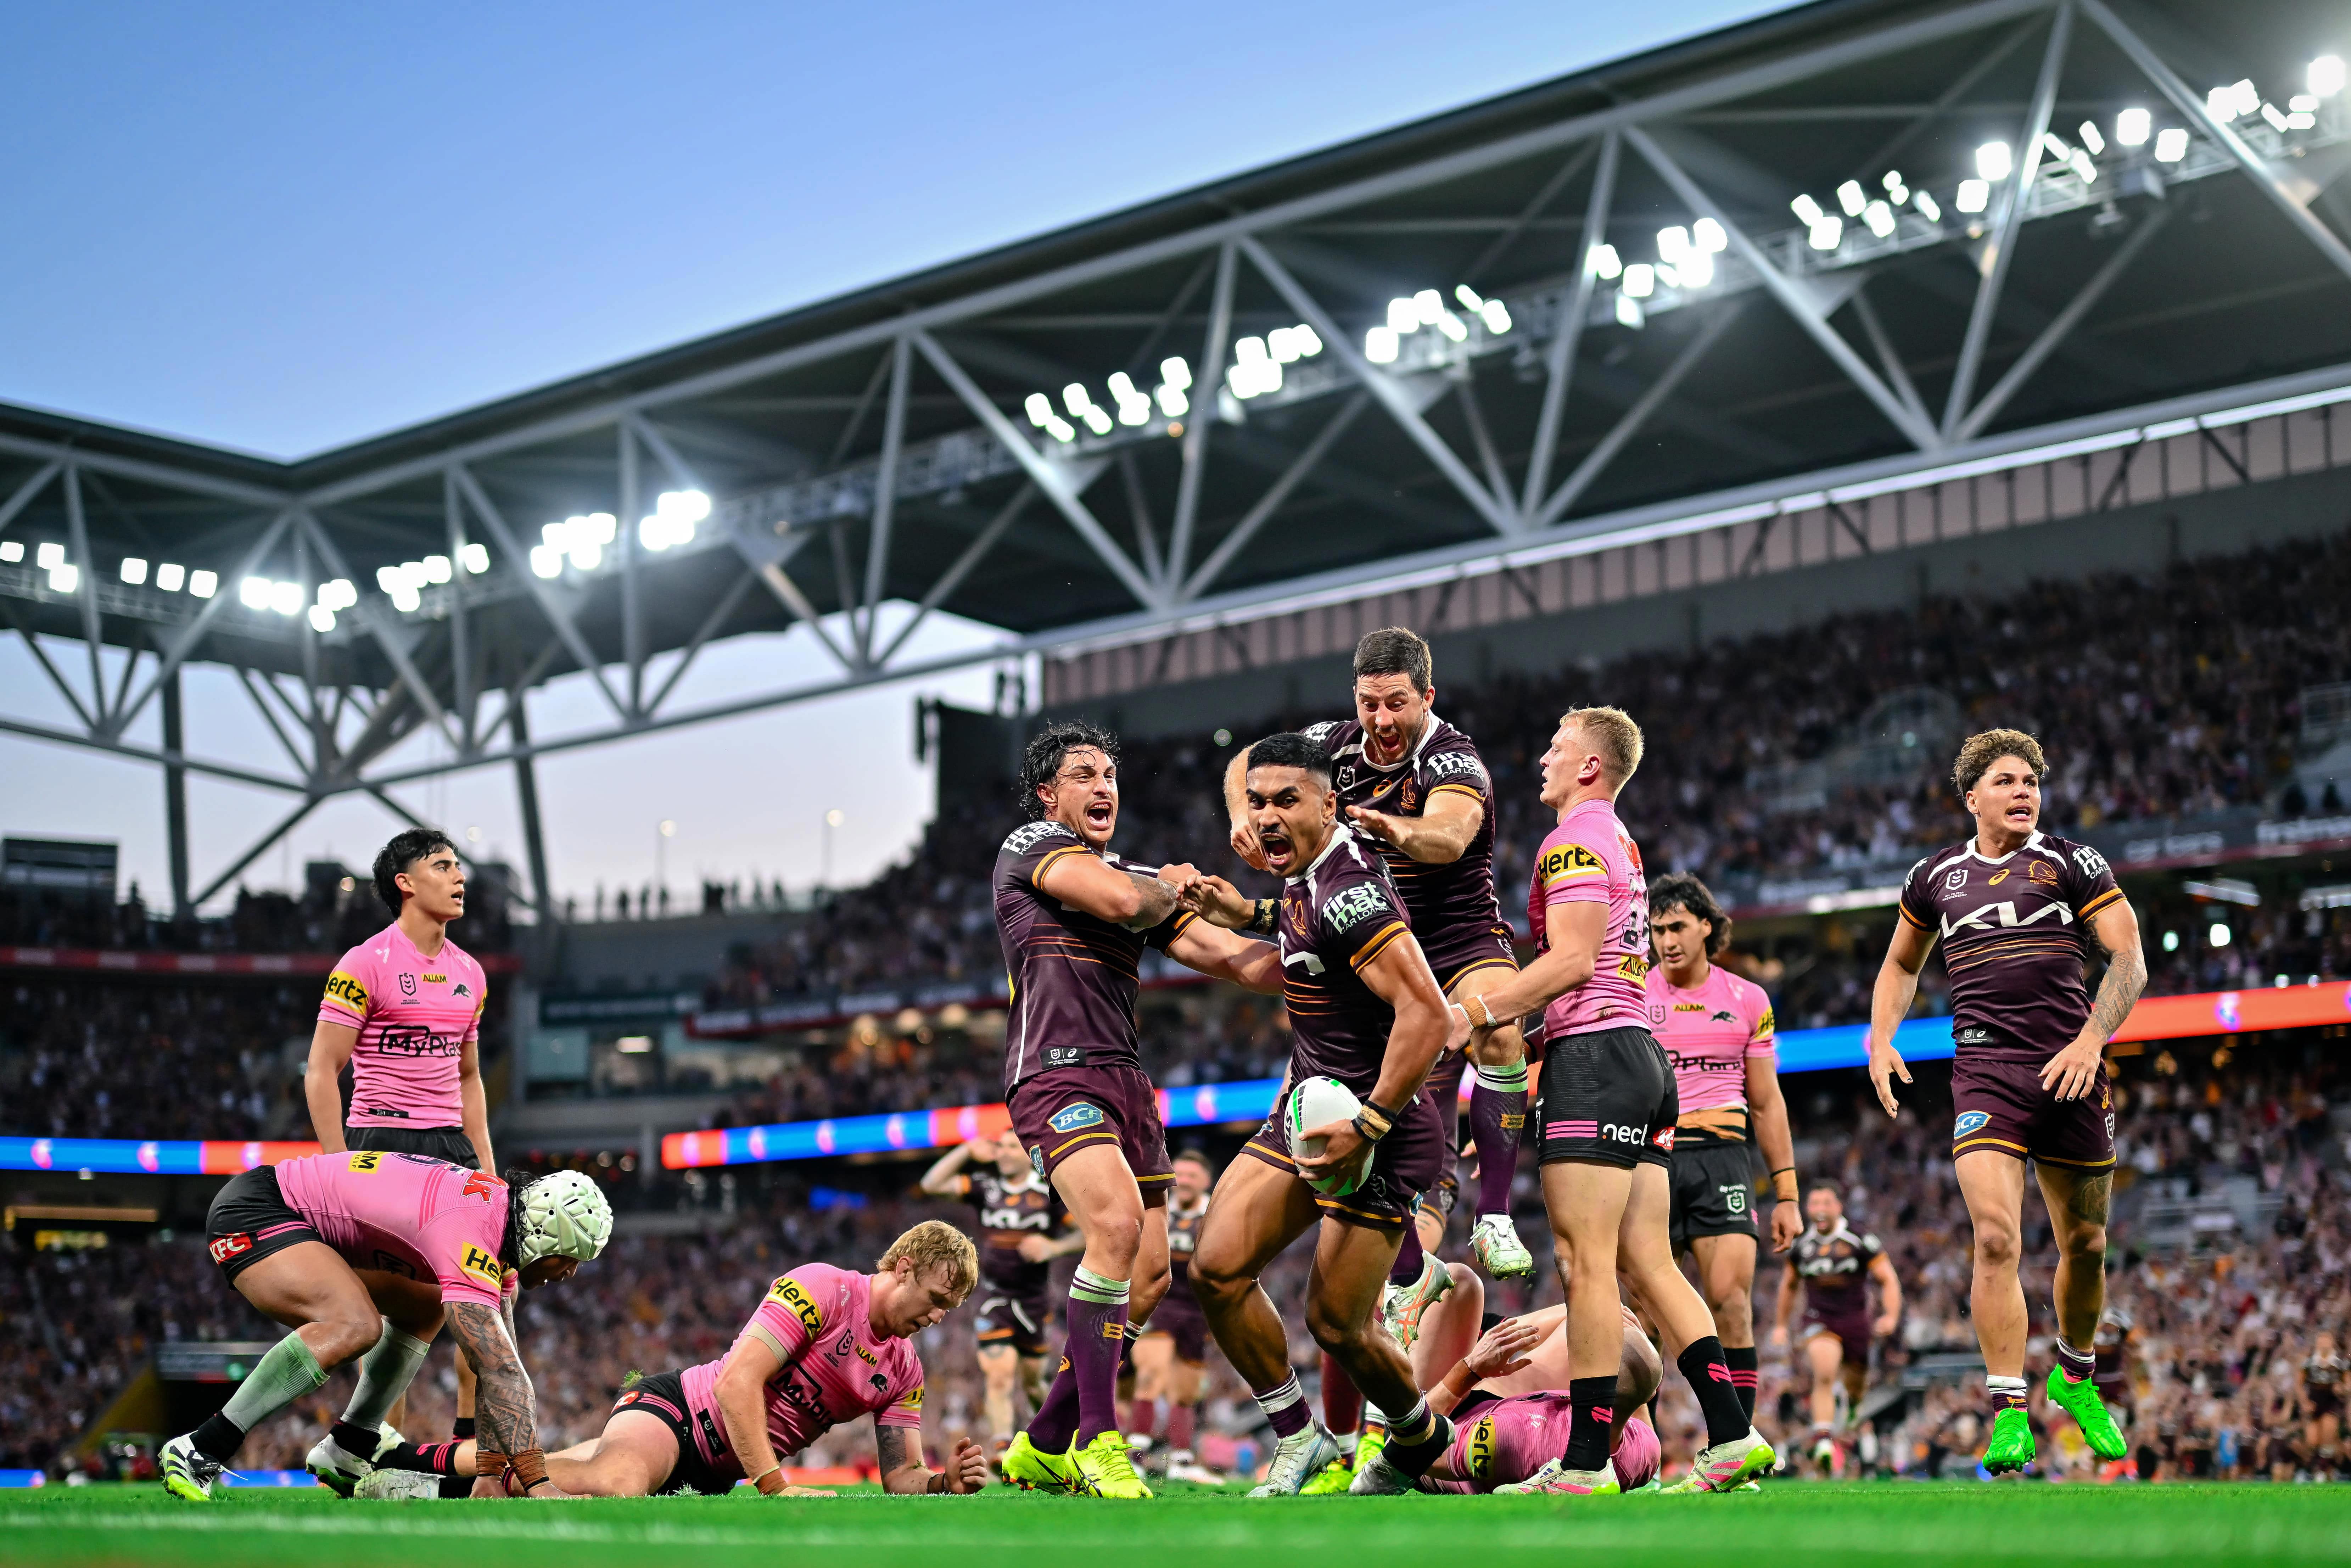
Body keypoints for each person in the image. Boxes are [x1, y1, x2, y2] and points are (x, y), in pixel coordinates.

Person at [1444, 706, 1772, 1495]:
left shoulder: (1573, 840)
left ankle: (1586, 1461)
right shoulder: (1617, 838)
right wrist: (1529, 1047)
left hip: (1595, 1064)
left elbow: (1571, 963)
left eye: (1557, 748)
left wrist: (1473, 1013)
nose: (1543, 760)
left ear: (1591, 765)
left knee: (1583, 1262)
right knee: (1647, 1261)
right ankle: (1733, 1434)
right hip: (1639, 1059)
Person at [992, 721, 1282, 1499]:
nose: (1104, 787)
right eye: (1084, 774)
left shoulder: (1140, 878)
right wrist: (1173, 888)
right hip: (1055, 1072)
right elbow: (1123, 899)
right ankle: (1098, 1439)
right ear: (1048, 794)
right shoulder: (1031, 846)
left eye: (1111, 775)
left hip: (1127, 1082)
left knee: (1150, 1275)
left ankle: (1042, 1442)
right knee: (1116, 1226)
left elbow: (1231, 958)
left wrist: (1328, 940)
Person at [1176, 731, 1467, 1498]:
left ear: (1329, 805)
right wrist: (1244, 910)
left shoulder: (1350, 892)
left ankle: (1420, 1436)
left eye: (1286, 800)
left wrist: (1367, 1124)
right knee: (1214, 1268)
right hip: (1309, 1105)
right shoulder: (1308, 877)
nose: (1266, 817)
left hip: (1380, 1129)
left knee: (1337, 1324)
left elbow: (1428, 1015)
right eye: (1256, 802)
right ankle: (1300, 1437)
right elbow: (1301, 929)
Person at [1223, 628, 1534, 1295]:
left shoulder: (1451, 760)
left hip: (1456, 941)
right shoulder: (1329, 745)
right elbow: (1250, 760)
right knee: (1332, 1088)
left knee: (1501, 1031)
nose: (1382, 720)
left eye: (1397, 703)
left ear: (1427, 696)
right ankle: (1401, 1278)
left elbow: (1451, 836)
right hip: (1372, 949)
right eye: (1369, 704)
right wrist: (1238, 816)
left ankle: (1495, 1215)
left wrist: (1396, 829)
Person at [1868, 728, 2145, 1475]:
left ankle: (2074, 1374)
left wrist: (2090, 1041)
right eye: (2006, 781)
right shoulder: (1934, 876)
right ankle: (2008, 1409)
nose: (2023, 791)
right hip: (1986, 1074)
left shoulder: (2071, 861)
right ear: (1971, 797)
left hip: (2071, 1071)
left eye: (2031, 781)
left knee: (2086, 1245)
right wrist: (1880, 1038)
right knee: (1994, 1238)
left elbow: (2128, 956)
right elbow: (1899, 963)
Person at [365, 1222, 991, 1499]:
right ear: (903, 1267)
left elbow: (901, 1476)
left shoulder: (904, 1370)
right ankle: (414, 1468)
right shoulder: (824, 1287)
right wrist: (775, 1486)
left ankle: (413, 1466)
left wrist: (944, 1482)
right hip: (679, 1412)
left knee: (578, 1467)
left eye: (950, 1309)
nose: (939, 1317)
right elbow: (739, 1383)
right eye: (936, 1300)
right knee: (617, 1485)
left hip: (713, 1471)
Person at [159, 1152, 610, 1502]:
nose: (570, 1272)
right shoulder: (472, 1232)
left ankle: (349, 1446)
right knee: (354, 1324)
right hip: (259, 1210)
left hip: (298, 1217)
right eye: (572, 1257)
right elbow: (502, 1371)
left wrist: (491, 1475)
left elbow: (497, 1366)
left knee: (429, 1304)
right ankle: (201, 1446)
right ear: (547, 1235)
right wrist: (539, 1483)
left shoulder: (499, 1226)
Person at [303, 828, 496, 1492]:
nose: (459, 875)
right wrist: (336, 1170)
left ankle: (472, 1456)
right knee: (395, 1320)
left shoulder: (471, 973)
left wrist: (486, 1166)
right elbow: (322, 1070)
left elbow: (468, 1078)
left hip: (450, 1146)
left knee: (481, 1296)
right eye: (443, 865)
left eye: (459, 865)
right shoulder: (365, 963)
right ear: (406, 884)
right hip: (380, 1144)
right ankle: (372, 1462)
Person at [1645, 873, 1801, 1429]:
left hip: (1723, 1157)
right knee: (1643, 1315)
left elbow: (1767, 1102)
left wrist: (1787, 1195)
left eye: (1678, 928)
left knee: (1731, 1304)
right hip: (1650, 1159)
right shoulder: (1633, 995)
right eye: (1657, 930)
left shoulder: (1747, 999)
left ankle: (1736, 1445)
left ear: (1707, 927)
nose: (1667, 941)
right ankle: (1640, 1453)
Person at [918, 1134, 1081, 1456]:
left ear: (1028, 1154)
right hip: (993, 1297)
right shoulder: (987, 1189)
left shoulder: (1049, 1192)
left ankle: (1060, 1438)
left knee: (1034, 1382)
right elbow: (931, 1184)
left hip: (1034, 1301)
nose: (1003, 1154)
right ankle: (1003, 1447)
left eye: (1011, 1148)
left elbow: (1087, 1232)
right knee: (999, 1377)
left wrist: (1055, 1247)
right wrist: (966, 1150)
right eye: (1001, 1147)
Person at [1770, 1184, 1901, 1474]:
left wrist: (1890, 1316)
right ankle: (1824, 1441)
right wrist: (1780, 1326)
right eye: (1814, 1203)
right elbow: (1788, 1286)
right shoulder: (1801, 1246)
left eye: (1826, 1203)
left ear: (1838, 1207)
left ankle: (1852, 1406)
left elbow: (1887, 1279)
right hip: (1819, 1318)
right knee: (1824, 1372)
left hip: (1856, 1321)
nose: (1819, 1209)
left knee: (1856, 1385)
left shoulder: (1860, 1239)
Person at [1129, 1148, 1220, 1485]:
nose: (1184, 1181)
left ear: (1206, 1181)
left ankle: (1181, 1460)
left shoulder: (1217, 1214)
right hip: (1157, 1302)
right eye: (1179, 1174)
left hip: (1197, 1310)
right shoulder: (1154, 1210)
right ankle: (1134, 1458)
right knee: (1151, 1374)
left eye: (1192, 1175)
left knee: (1186, 1391)